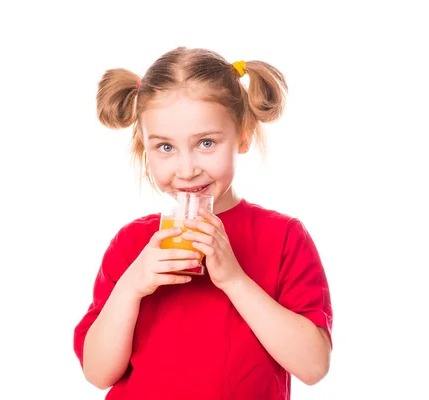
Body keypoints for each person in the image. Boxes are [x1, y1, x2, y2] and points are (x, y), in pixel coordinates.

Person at [73, 46, 333, 399]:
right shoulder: (132, 243)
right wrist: (132, 285)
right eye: (165, 147)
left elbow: (313, 366)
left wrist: (234, 279)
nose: (187, 168)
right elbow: (97, 372)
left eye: (206, 143)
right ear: (144, 148)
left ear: (243, 135)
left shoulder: (284, 237)